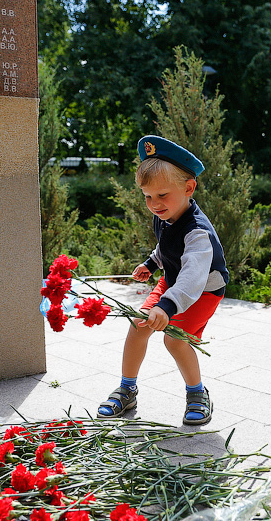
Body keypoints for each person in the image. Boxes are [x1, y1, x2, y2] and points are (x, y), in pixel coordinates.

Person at [97, 135, 228, 426]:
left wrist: (166, 308)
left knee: (175, 340)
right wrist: (151, 263)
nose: (154, 204)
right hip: (172, 283)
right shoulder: (166, 213)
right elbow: (167, 247)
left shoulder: (198, 232)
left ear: (188, 188)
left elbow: (193, 277)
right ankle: (127, 389)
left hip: (202, 291)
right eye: (147, 196)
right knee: (138, 324)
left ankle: (197, 393)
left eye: (161, 195)